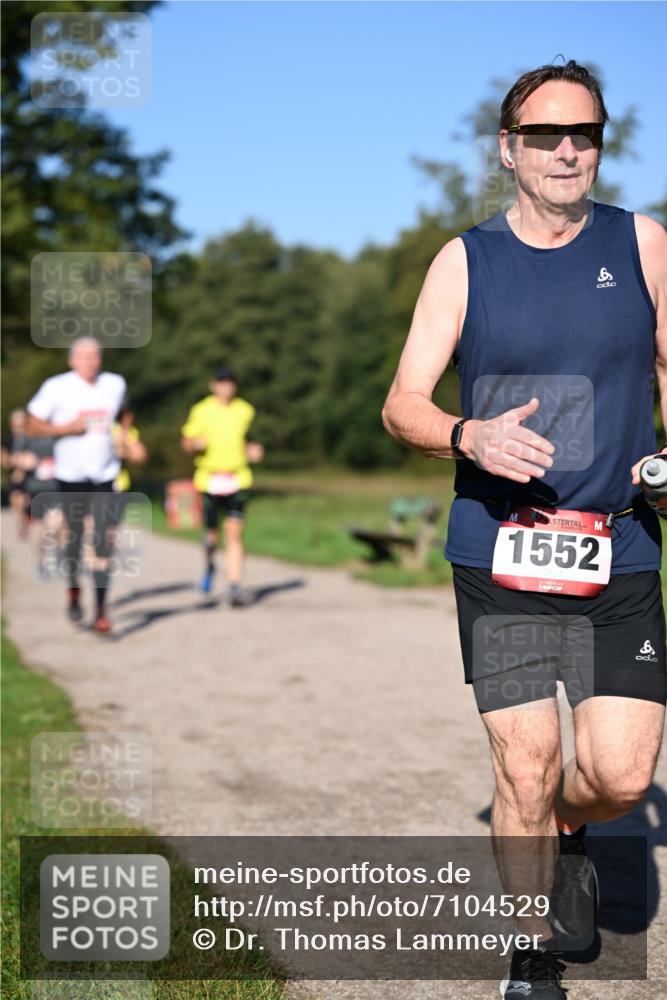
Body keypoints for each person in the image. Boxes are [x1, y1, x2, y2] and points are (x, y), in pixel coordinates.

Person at [382, 60, 666, 999]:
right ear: (507, 148)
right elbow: (401, 407)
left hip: (618, 545)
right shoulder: (465, 261)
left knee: (619, 777)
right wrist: (467, 434)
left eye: (581, 133)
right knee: (527, 757)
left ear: (598, 142)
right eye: (543, 134)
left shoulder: (642, 245)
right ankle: (528, 957)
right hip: (498, 545)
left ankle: (571, 831)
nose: (564, 150)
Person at [26, 337, 130, 634]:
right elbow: (32, 425)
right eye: (84, 357)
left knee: (103, 541)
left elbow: (125, 412)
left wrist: (123, 435)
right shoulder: (56, 387)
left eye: (95, 356)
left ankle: (100, 610)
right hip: (70, 476)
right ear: (72, 360)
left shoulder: (115, 384)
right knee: (73, 541)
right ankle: (73, 591)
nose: (91, 362)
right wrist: (64, 429)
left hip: (105, 475)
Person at [181, 367, 264, 606]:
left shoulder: (245, 410)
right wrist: (194, 444)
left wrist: (253, 451)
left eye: (230, 383)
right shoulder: (202, 410)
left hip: (238, 478)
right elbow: (186, 443)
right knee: (211, 536)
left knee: (235, 533)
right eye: (221, 383)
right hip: (209, 479)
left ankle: (234, 587)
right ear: (213, 385)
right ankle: (209, 565)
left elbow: (250, 441)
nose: (226, 387)